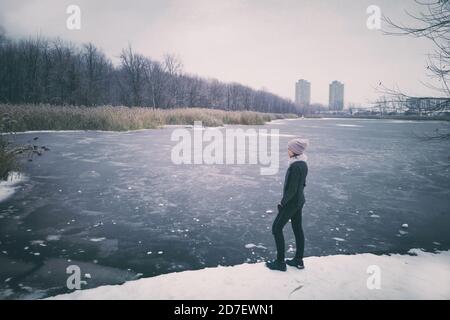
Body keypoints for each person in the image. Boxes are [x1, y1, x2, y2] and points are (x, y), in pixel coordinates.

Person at [266, 138, 309, 271]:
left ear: (294, 151)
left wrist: (282, 203)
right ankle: (298, 260)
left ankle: (280, 262)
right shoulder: (303, 164)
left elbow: (291, 190)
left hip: (291, 203)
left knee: (276, 228)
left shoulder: (295, 166)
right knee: (297, 229)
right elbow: (302, 185)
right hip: (299, 200)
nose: (287, 151)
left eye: (289, 149)